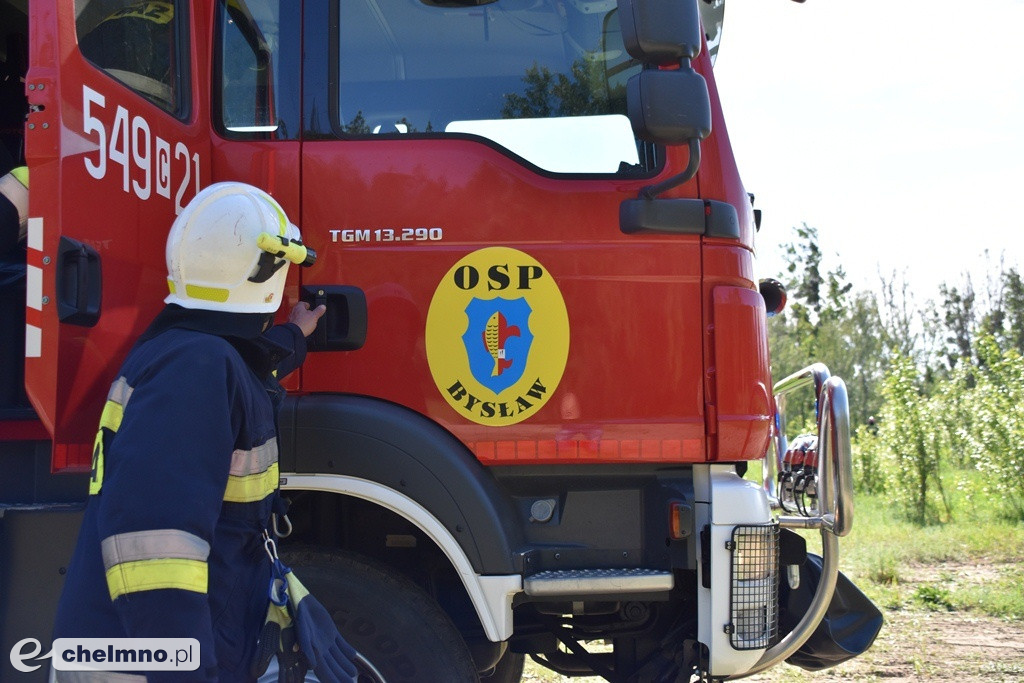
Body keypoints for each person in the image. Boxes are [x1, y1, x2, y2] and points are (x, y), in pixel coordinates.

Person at [52, 182, 326, 682]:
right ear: (269, 272)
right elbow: (155, 550)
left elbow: (246, 377)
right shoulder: (195, 368)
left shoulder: (191, 353)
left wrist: (294, 336)